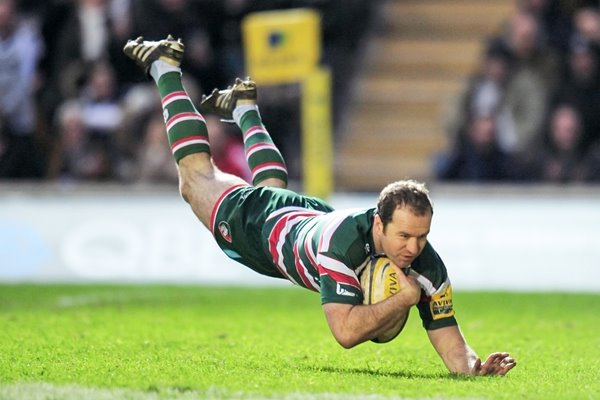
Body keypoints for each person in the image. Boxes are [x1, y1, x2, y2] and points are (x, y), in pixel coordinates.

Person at [123, 35, 517, 376]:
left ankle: (244, 109)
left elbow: (453, 345)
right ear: (379, 224)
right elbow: (345, 333)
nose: (413, 248)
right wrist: (404, 298)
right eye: (404, 236)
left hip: (303, 217)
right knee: (195, 180)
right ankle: (164, 65)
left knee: (273, 189)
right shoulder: (342, 248)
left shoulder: (426, 264)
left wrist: (473, 368)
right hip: (263, 229)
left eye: (421, 237)